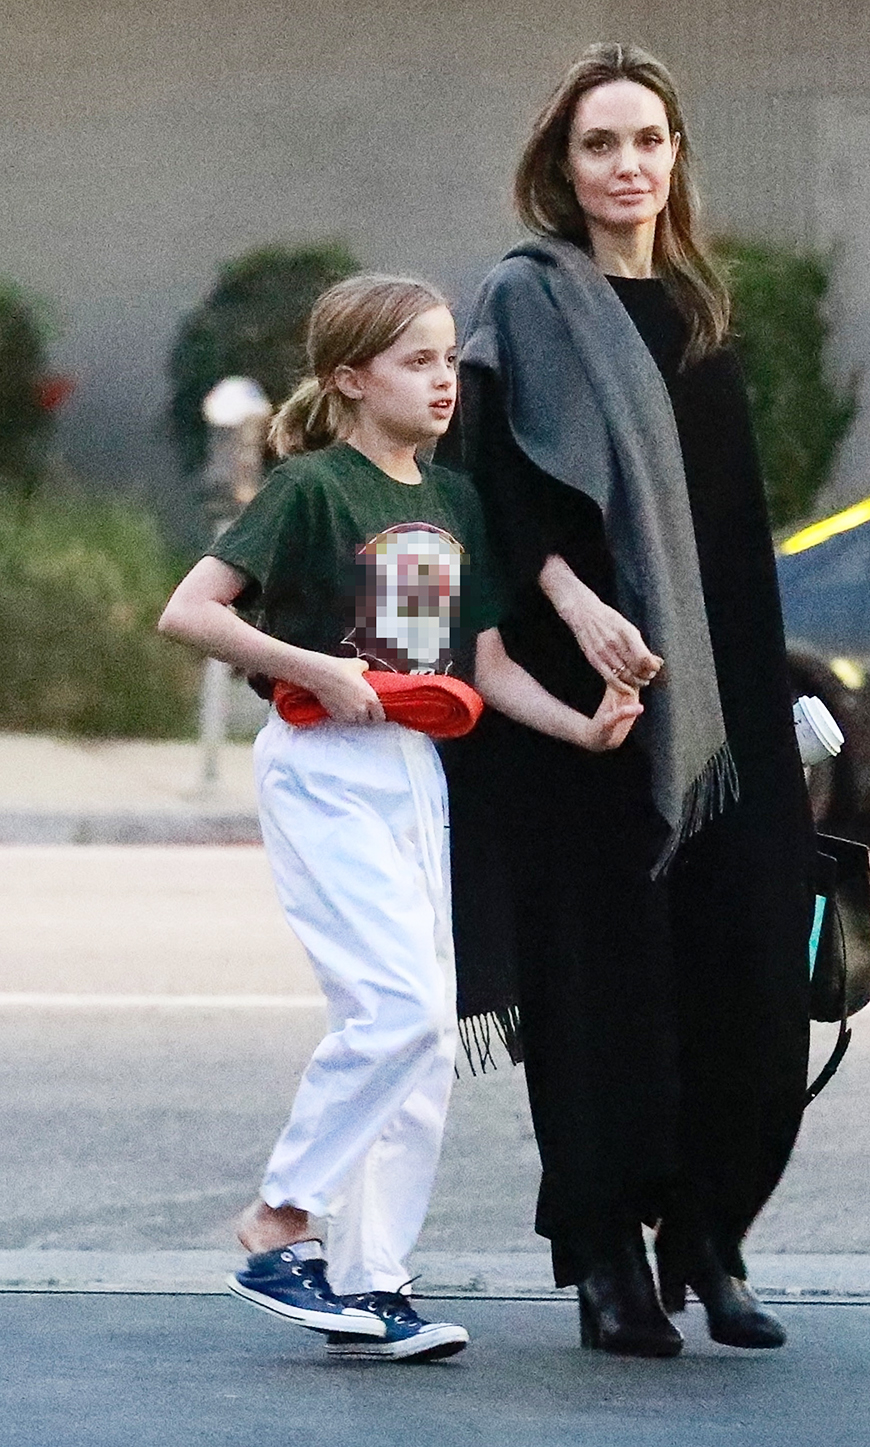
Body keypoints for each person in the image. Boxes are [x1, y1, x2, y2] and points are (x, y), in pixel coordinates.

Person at [158, 273, 642, 1363]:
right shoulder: (313, 489)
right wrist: (315, 671)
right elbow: (190, 610)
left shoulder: (455, 501)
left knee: (425, 1045)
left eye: (446, 362)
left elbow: (482, 665)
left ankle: (370, 1282)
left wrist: (583, 728)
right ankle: (281, 1222)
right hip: (322, 765)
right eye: (416, 361)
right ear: (349, 378)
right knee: (398, 1010)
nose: (441, 382)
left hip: (415, 770)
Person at [441, 44, 815, 1356]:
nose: (627, 167)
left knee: (750, 971)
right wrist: (580, 602)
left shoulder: (704, 311)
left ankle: (709, 1236)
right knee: (601, 984)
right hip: (581, 709)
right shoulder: (525, 301)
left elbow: (729, 535)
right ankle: (606, 1252)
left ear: (675, 158)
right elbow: (489, 487)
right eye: (601, 145)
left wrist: (772, 705)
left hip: (718, 707)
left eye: (647, 141)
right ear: (564, 163)